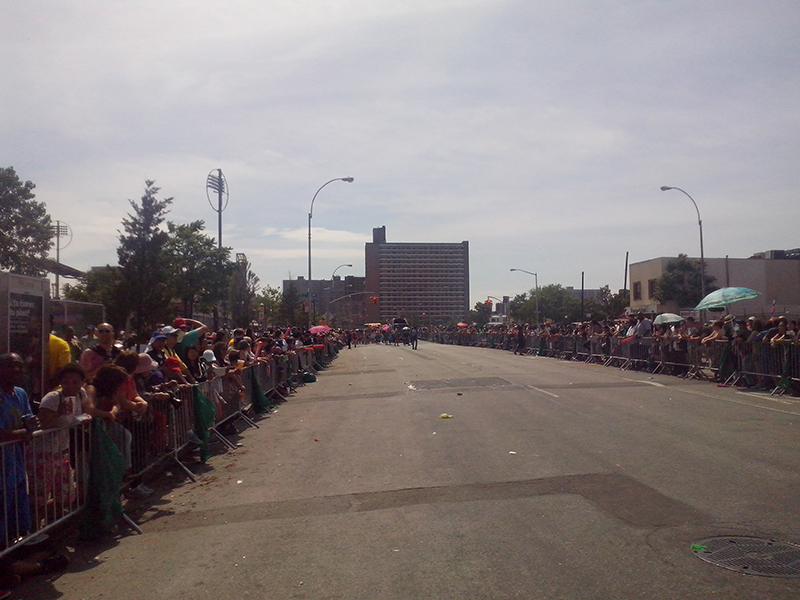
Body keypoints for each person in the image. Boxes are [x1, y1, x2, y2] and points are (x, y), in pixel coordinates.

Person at [30, 362, 92, 521]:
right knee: (40, 493)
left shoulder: (80, 394)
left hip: (62, 450)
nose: (70, 386)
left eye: (75, 382)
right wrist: (57, 413)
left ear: (82, 382)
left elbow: (86, 410)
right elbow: (41, 423)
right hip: (43, 452)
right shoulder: (53, 397)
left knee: (64, 492)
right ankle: (34, 527)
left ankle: (55, 522)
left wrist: (86, 417)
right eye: (66, 382)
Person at [0, 353, 37, 546]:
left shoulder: (21, 393)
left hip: (15, 461)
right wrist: (21, 432)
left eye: (20, 366)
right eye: (9, 365)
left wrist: (30, 425)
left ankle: (17, 544)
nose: (16, 370)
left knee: (17, 503)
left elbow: (27, 420)